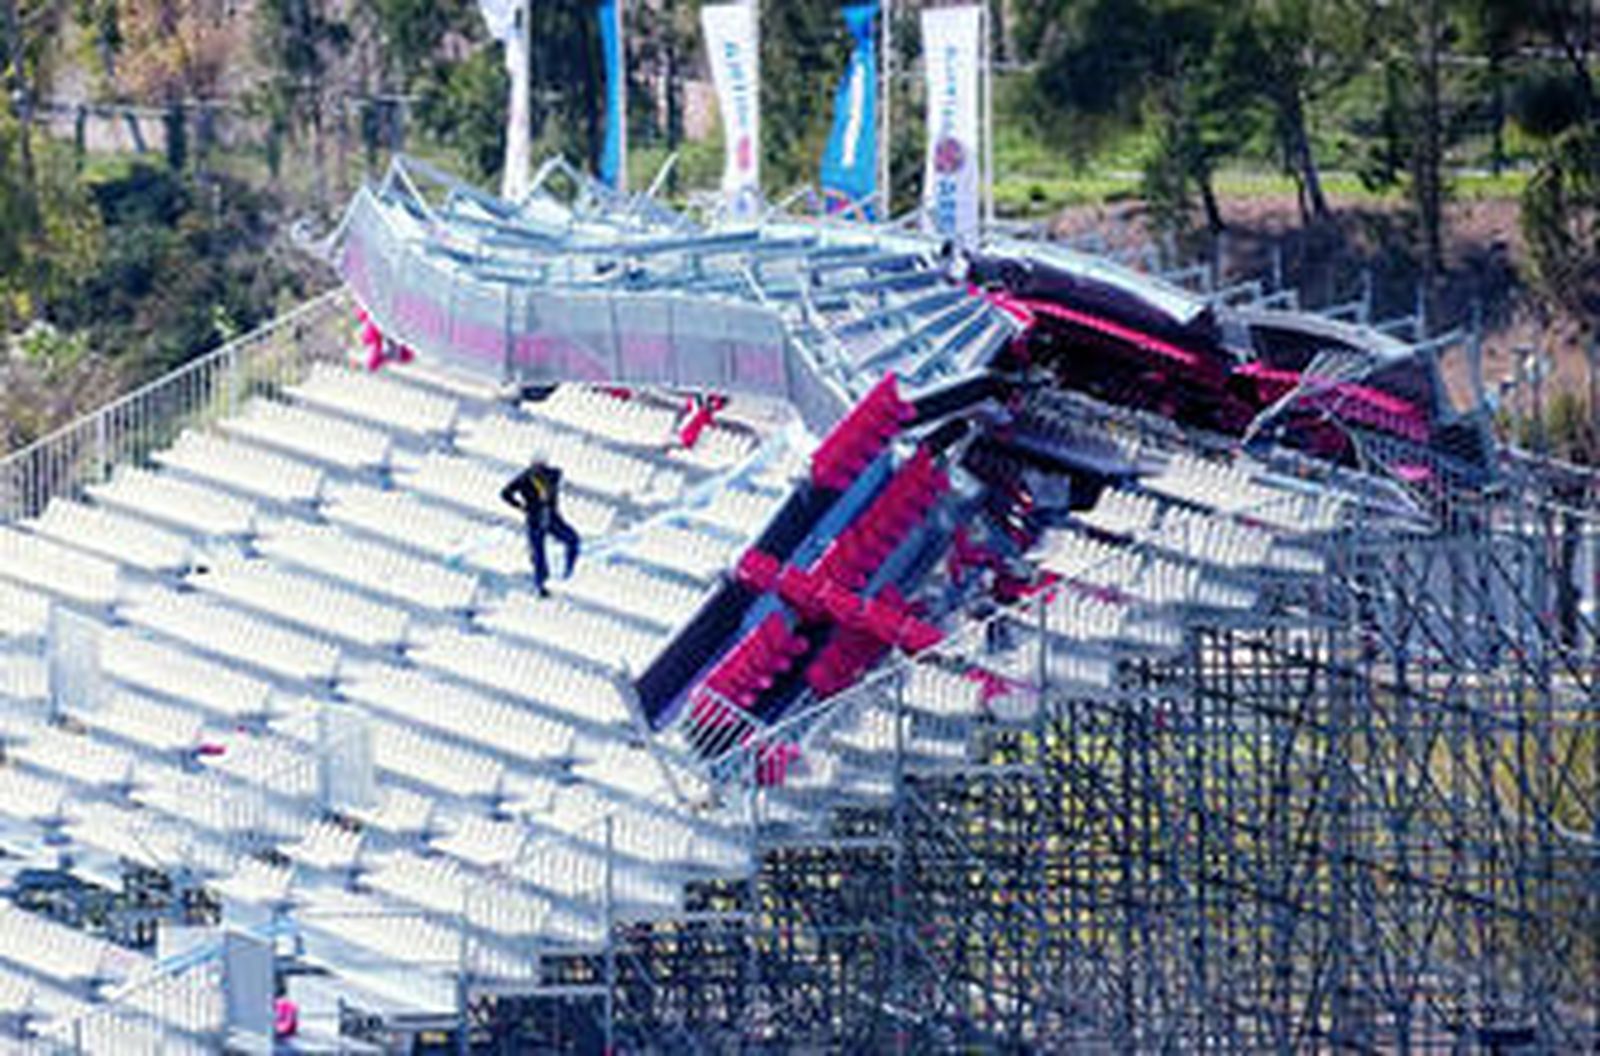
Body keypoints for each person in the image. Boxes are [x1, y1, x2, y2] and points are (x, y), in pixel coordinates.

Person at [500, 456, 580, 597]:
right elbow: (505, 493)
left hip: (551, 518)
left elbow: (559, 476)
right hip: (535, 519)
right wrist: (521, 506)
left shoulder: (552, 475)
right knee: (538, 553)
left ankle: (568, 572)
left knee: (572, 540)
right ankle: (541, 585)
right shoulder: (524, 478)